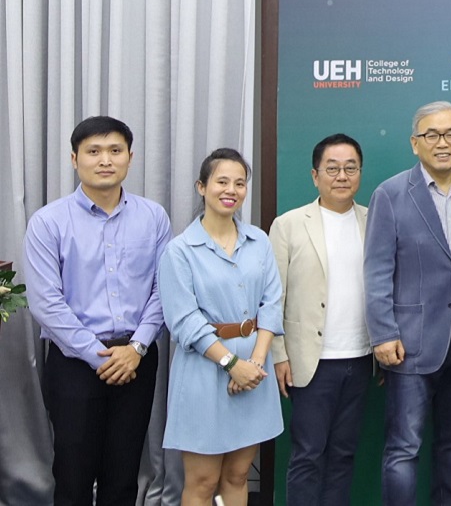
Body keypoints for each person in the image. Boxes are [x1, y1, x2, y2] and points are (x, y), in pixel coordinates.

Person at [23, 116, 171, 506]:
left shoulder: (153, 217)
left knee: (124, 475)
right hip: (74, 364)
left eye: (115, 150)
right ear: (75, 159)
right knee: (72, 472)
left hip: (137, 360)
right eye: (93, 151)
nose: (105, 160)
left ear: (130, 157)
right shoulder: (48, 222)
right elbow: (45, 302)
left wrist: (136, 348)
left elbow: (164, 290)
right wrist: (98, 356)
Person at [364, 101, 451, 506]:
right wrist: (382, 334)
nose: (442, 143)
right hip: (409, 345)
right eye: (431, 135)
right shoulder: (391, 193)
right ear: (415, 144)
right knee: (404, 447)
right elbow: (377, 270)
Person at [157, 148, 284, 506]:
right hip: (204, 370)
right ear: (202, 186)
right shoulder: (180, 251)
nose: (231, 190)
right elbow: (184, 321)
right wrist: (233, 365)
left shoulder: (259, 241)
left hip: (255, 369)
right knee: (202, 480)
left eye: (240, 183)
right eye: (222, 181)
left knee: (238, 475)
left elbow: (272, 303)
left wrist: (255, 365)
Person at [268, 133, 371, 506]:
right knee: (308, 454)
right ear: (315, 175)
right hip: (310, 362)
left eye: (350, 168)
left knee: (343, 455)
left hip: (360, 359)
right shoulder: (290, 224)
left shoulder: (373, 220)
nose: (341, 176)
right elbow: (272, 297)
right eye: (332, 168)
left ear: (360, 174)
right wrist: (279, 354)